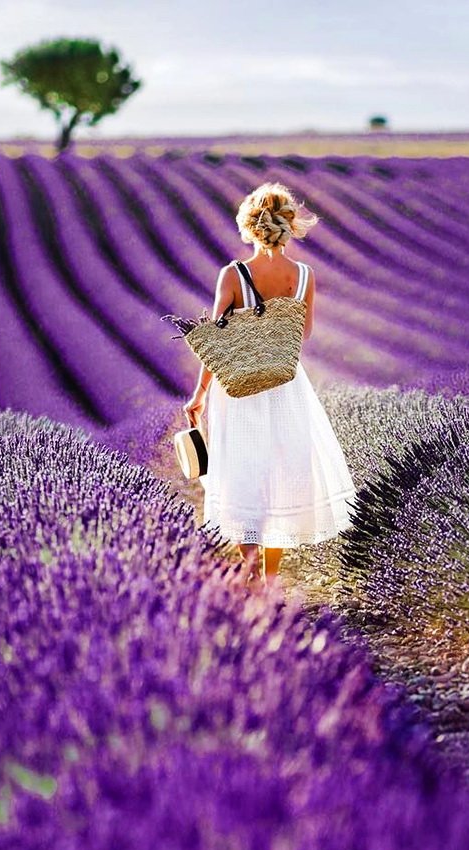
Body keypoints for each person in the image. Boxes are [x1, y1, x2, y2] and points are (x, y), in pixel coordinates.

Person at [182, 182, 357, 588]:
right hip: (286, 387)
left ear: (250, 225)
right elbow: (304, 333)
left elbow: (217, 343)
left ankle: (248, 570)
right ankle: (271, 575)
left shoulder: (234, 274)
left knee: (246, 472)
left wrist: (200, 395)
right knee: (279, 472)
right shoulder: (305, 276)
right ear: (288, 224)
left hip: (239, 390)